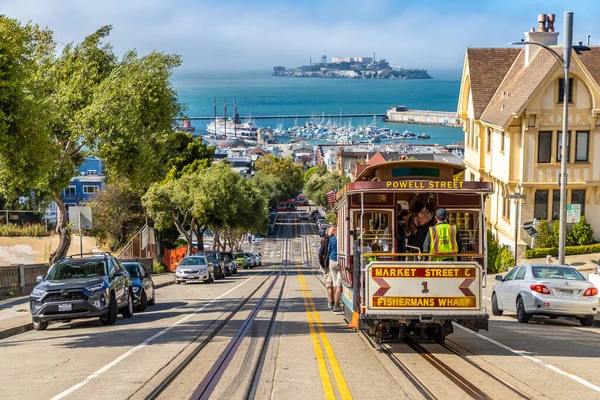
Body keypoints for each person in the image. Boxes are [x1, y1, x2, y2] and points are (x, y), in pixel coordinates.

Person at [327, 226, 343, 314]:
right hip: (341, 261)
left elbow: (328, 249)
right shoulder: (343, 238)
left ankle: (333, 303)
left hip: (332, 261)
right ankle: (336, 305)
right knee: (339, 284)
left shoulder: (332, 238)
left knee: (334, 283)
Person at [318, 227, 334, 309]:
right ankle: (331, 301)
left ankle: (331, 301)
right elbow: (320, 254)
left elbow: (320, 254)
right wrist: (323, 265)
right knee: (330, 284)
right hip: (328, 265)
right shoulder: (327, 240)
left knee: (330, 284)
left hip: (328, 265)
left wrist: (323, 265)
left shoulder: (328, 240)